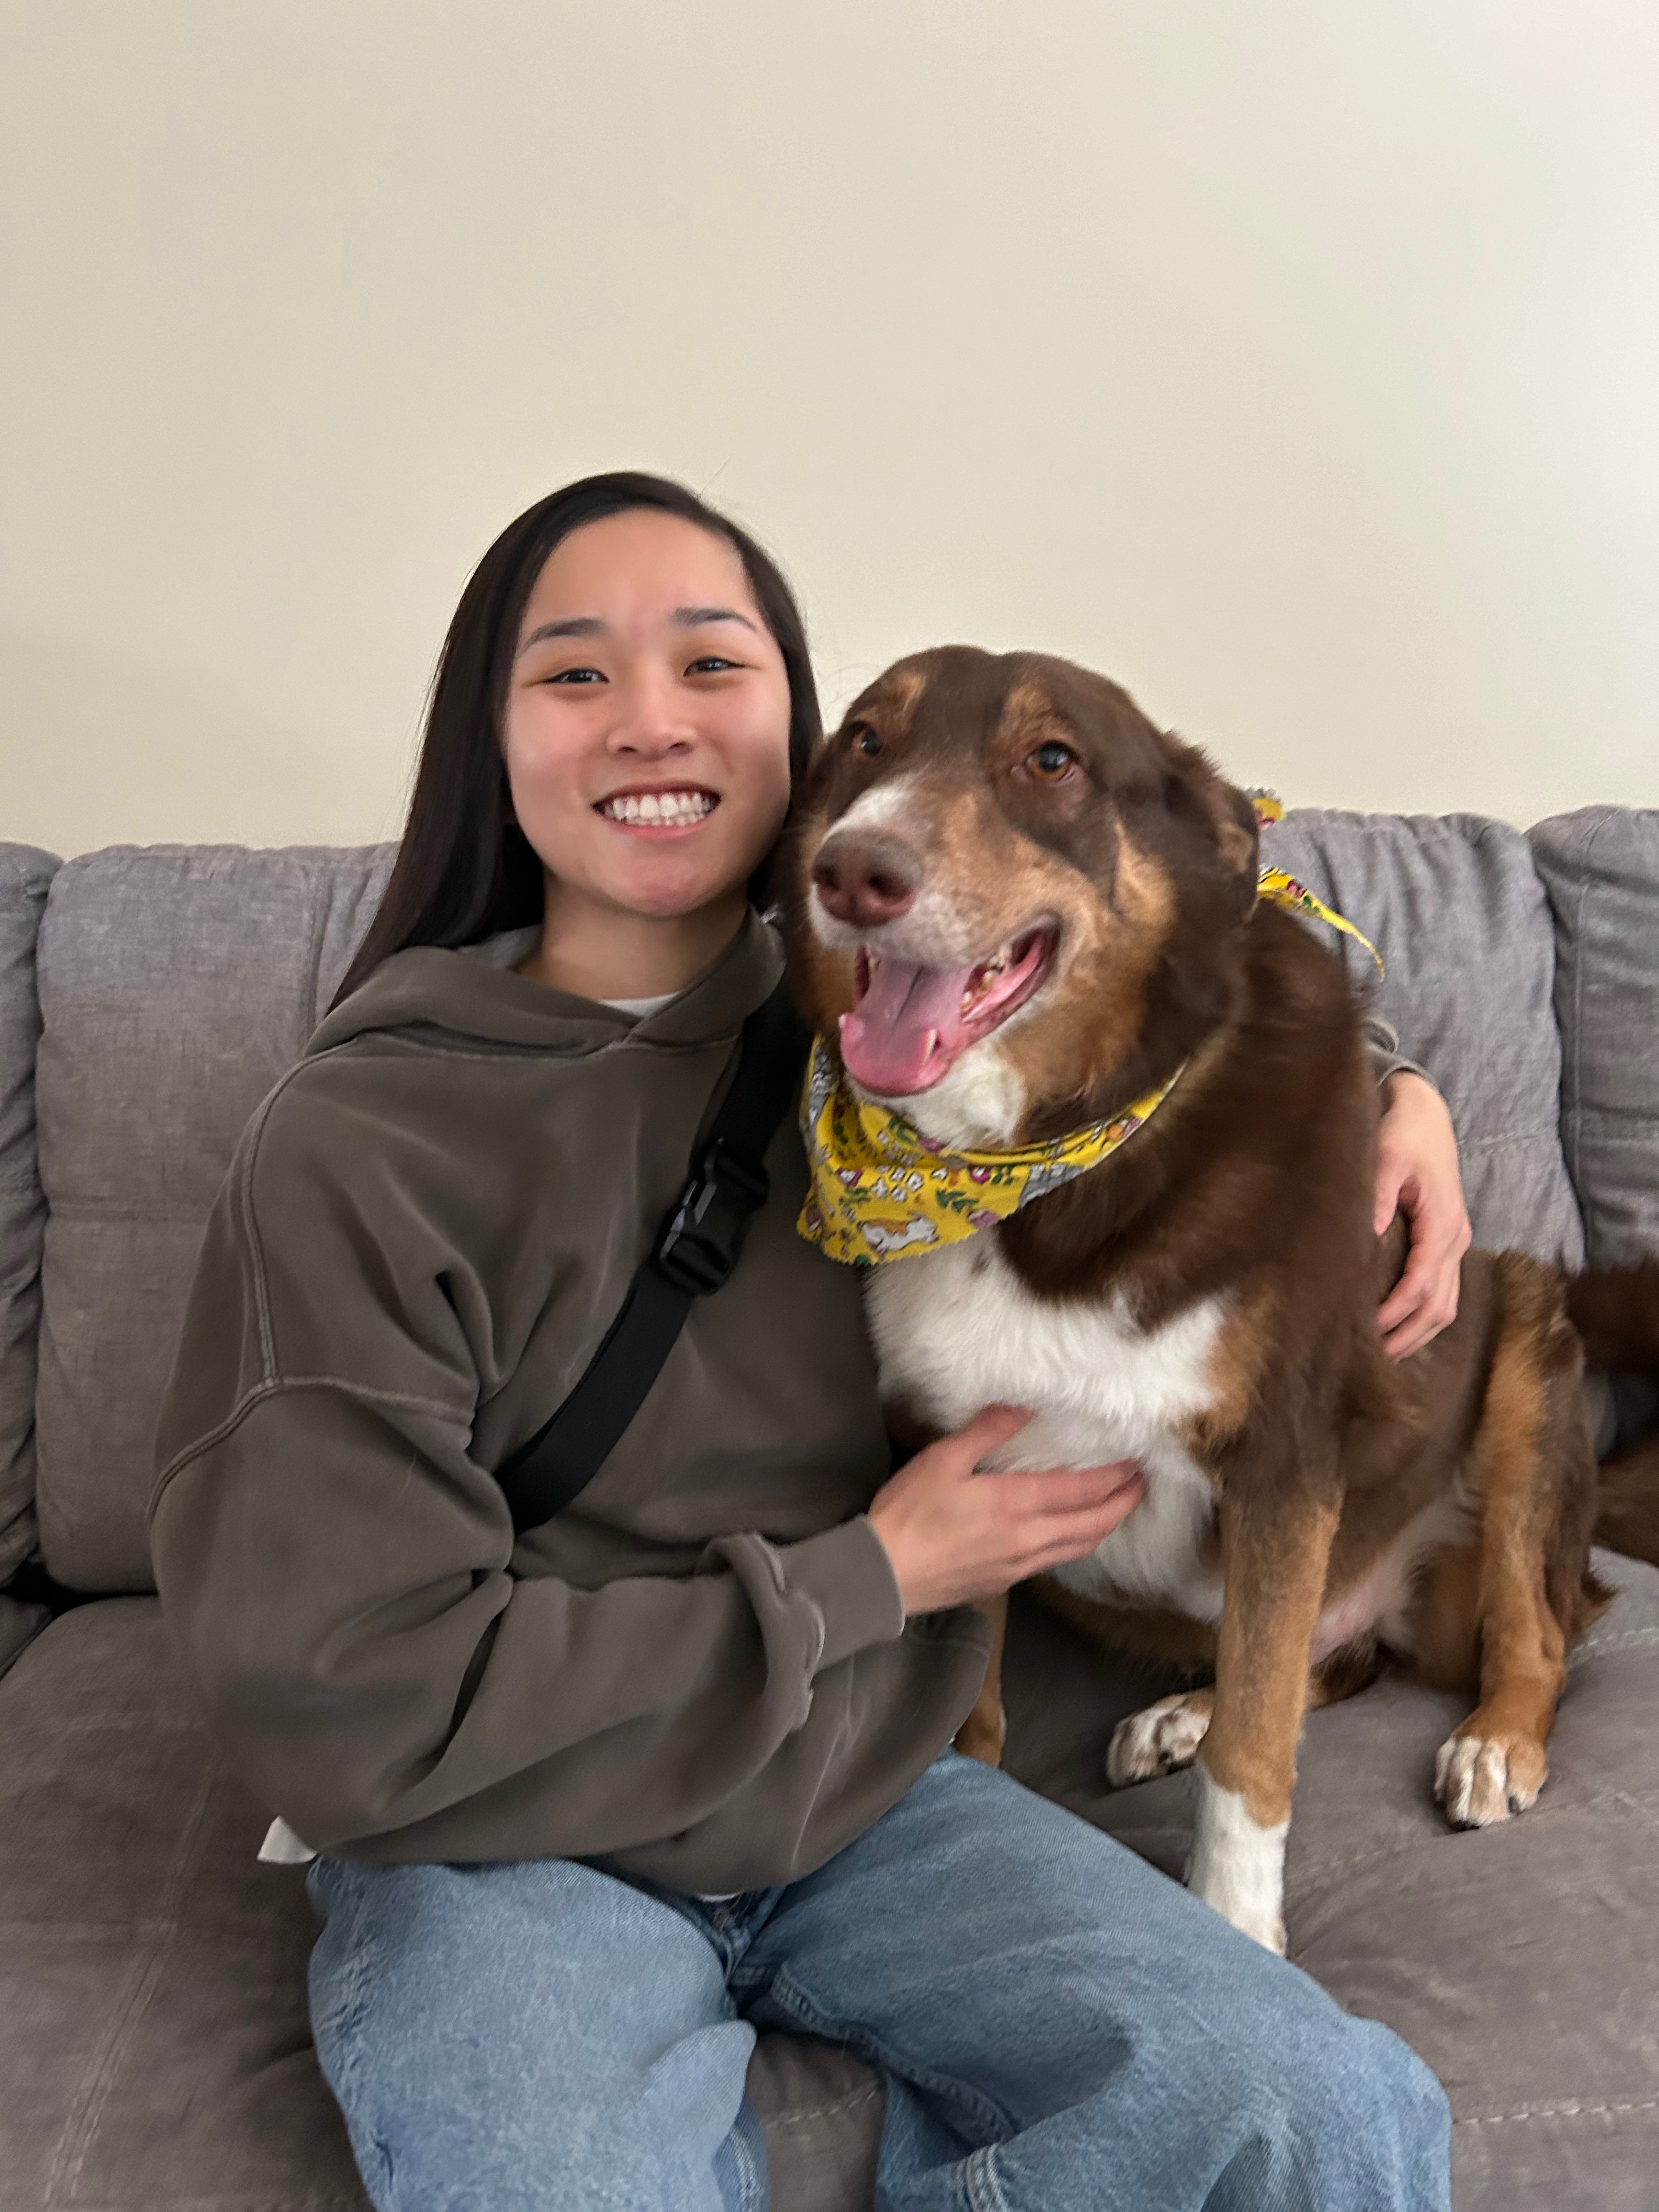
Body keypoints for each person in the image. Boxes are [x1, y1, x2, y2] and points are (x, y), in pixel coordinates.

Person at [149, 473, 1456, 2211]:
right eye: (572, 676)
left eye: (713, 664)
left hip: (859, 1789)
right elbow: (351, 1697)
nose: (650, 723)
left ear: (802, 743)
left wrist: (1397, 1087)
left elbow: (1196, 939)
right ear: (489, 735)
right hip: (509, 1833)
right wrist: (873, 1578)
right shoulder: (362, 1143)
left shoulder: (893, 1063)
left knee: (1324, 2121)